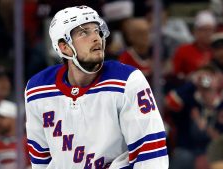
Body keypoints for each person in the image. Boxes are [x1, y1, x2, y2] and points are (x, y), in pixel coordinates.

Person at [25, 5, 168, 169]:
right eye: (84, 32)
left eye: (98, 31)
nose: (96, 38)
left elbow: (151, 154)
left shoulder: (127, 80)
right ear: (64, 46)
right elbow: (40, 160)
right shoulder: (37, 89)